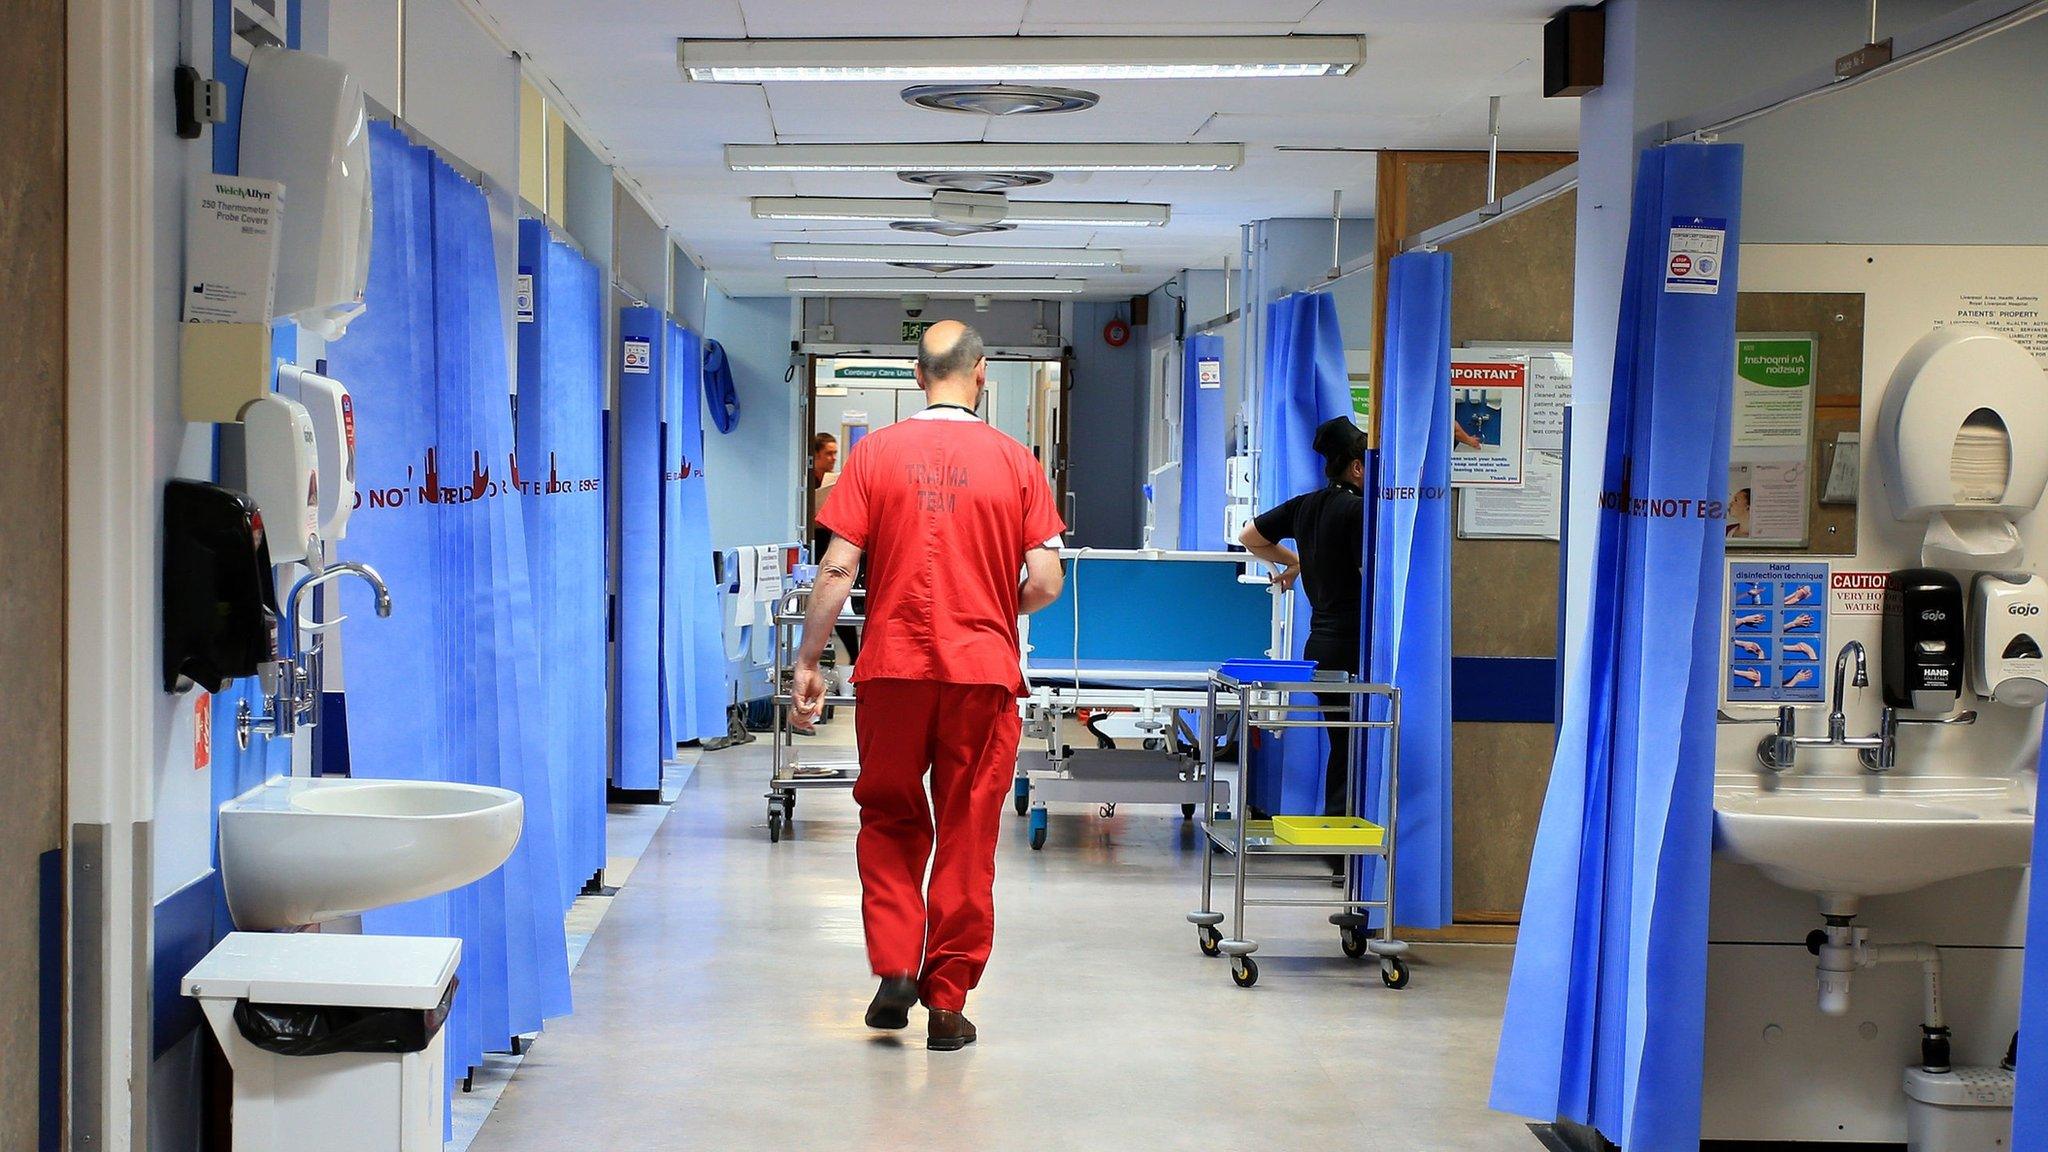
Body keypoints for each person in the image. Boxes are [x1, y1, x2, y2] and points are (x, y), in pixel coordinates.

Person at [792, 321, 1066, 1052]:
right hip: (983, 673)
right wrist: (985, 606)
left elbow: (838, 570)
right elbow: (1046, 580)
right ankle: (947, 1003)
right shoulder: (1015, 460)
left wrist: (809, 660)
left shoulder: (874, 454)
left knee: (888, 816)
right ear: (981, 376)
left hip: (893, 666)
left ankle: (893, 966)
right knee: (969, 829)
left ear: (917, 375)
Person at [1237, 416, 1368, 826]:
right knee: (1356, 748)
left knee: (1341, 744)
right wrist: (1303, 564)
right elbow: (1368, 574)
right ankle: (1347, 848)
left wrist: (1298, 563)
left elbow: (1249, 537)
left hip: (1320, 647)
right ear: (1358, 467)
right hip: (1353, 645)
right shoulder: (1359, 511)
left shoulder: (1307, 505)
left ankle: (1337, 846)